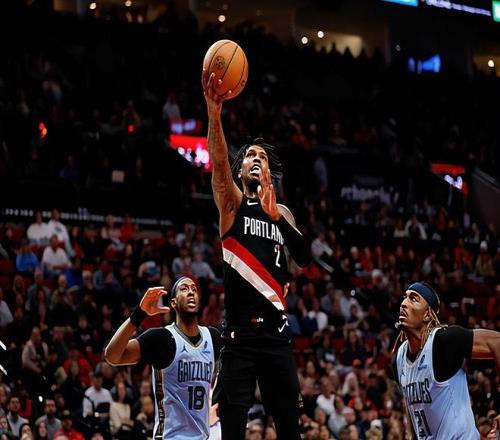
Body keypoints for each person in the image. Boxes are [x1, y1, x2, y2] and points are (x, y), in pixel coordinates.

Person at [203, 69, 311, 439]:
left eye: (261, 156)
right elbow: (220, 164)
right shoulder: (233, 205)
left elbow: (304, 257)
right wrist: (214, 113)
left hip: (277, 336)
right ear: (241, 169)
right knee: (232, 431)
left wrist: (276, 217)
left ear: (268, 170)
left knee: (290, 431)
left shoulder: (283, 214)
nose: (254, 158)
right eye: (249, 154)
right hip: (239, 338)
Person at [104, 277, 221, 440]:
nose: (191, 292)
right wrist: (139, 314)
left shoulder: (213, 337)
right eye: (184, 289)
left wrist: (219, 399)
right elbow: (112, 356)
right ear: (173, 303)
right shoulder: (162, 338)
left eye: (194, 289)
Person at [392, 281, 500, 439]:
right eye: (404, 298)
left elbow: (497, 342)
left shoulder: (443, 341)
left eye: (413, 299)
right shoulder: (399, 358)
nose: (403, 304)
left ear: (427, 314)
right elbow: (413, 411)